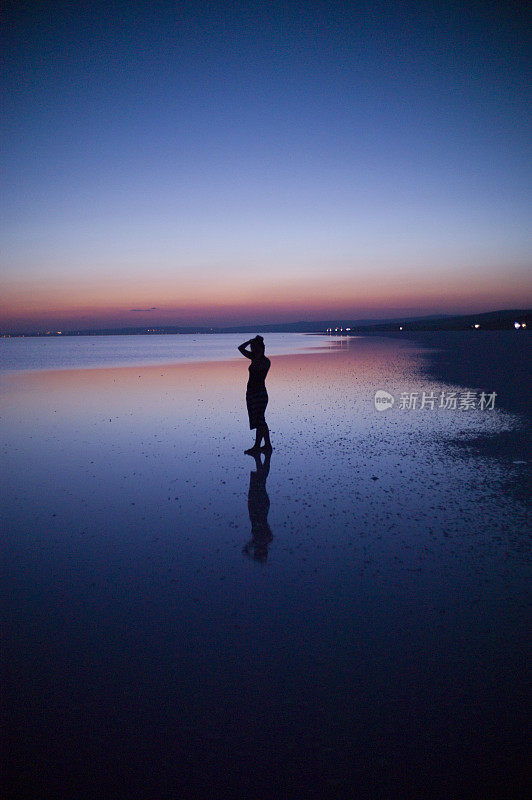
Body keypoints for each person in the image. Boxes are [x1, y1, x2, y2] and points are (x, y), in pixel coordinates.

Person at [238, 335, 272, 453]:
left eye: (255, 347)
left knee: (260, 420)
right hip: (251, 393)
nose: (253, 349)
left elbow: (259, 374)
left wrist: (256, 347)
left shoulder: (265, 361)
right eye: (253, 347)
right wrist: (249, 341)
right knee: (259, 420)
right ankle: (265, 445)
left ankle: (261, 445)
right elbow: (240, 348)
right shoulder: (253, 358)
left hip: (260, 393)